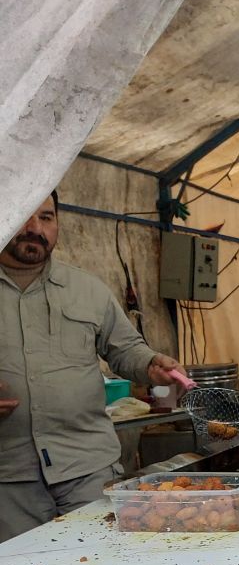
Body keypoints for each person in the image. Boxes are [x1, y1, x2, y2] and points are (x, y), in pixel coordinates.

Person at [0, 192, 185, 542]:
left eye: (46, 217)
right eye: (25, 214)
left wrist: (150, 364)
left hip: (87, 467)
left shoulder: (87, 289)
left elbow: (125, 348)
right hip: (9, 478)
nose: (34, 228)